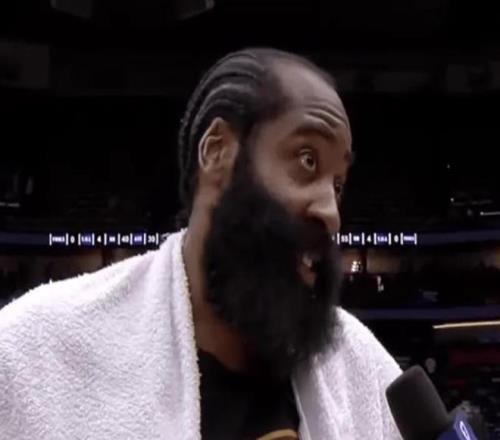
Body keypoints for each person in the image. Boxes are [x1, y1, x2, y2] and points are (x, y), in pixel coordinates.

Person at [0, 48, 402, 440]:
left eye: (338, 185)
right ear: (216, 151)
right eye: (307, 160)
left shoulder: (366, 372)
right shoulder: (35, 353)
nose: (331, 212)